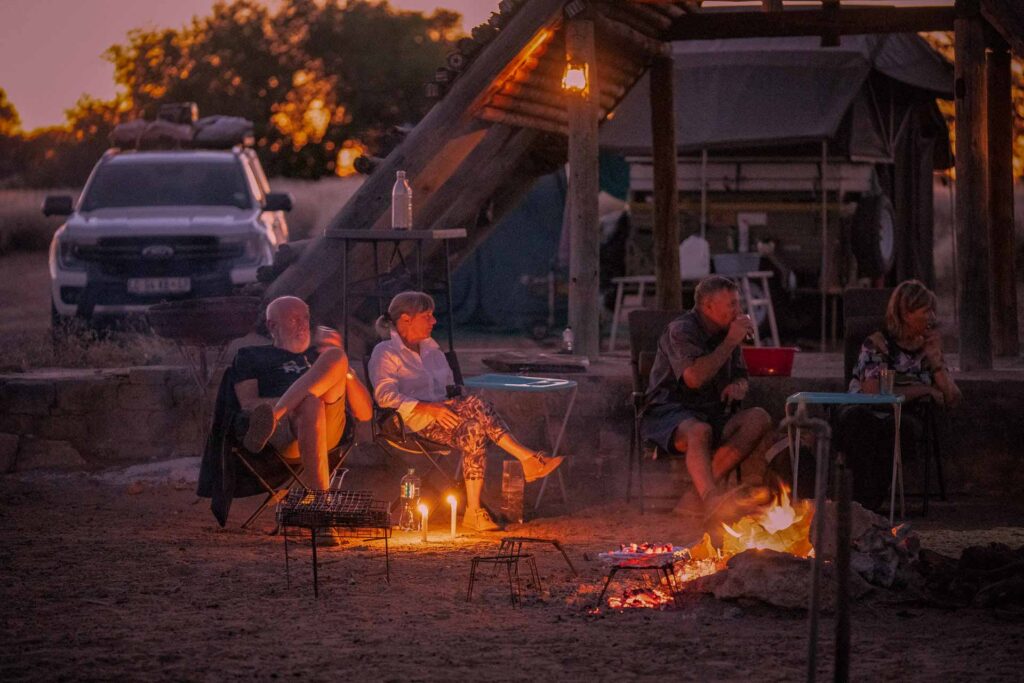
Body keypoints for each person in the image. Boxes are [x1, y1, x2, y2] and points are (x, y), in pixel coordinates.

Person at [369, 291, 563, 532]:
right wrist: (430, 408)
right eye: (427, 316)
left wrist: (454, 400)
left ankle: (473, 512)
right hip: (410, 422)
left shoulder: (432, 351)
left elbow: (450, 388)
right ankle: (528, 459)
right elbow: (385, 397)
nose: (434, 321)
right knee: (476, 403)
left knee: (474, 429)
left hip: (446, 417)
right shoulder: (386, 352)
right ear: (406, 319)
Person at [641, 275, 773, 518]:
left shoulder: (727, 331)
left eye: (738, 303)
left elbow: (741, 375)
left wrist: (738, 386)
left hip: (712, 411)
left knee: (759, 418)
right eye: (731, 304)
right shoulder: (682, 330)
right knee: (700, 431)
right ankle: (711, 499)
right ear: (708, 306)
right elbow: (694, 378)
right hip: (669, 412)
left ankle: (695, 496)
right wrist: (730, 341)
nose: (738, 310)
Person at [837, 279, 962, 508]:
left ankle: (865, 506)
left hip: (904, 416)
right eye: (926, 311)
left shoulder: (928, 350)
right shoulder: (878, 344)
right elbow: (874, 391)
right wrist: (925, 389)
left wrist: (936, 362)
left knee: (897, 429)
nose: (932, 318)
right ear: (906, 313)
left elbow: (952, 399)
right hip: (865, 410)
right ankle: (862, 505)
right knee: (859, 422)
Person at [236, 296, 373, 495]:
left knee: (336, 355)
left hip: (329, 429)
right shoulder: (251, 356)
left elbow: (365, 414)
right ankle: (320, 501)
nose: (303, 325)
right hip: (285, 433)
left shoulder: (320, 355)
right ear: (272, 326)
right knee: (310, 403)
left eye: (305, 318)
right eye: (294, 320)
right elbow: (248, 404)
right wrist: (300, 402)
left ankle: (276, 413)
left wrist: (345, 371)